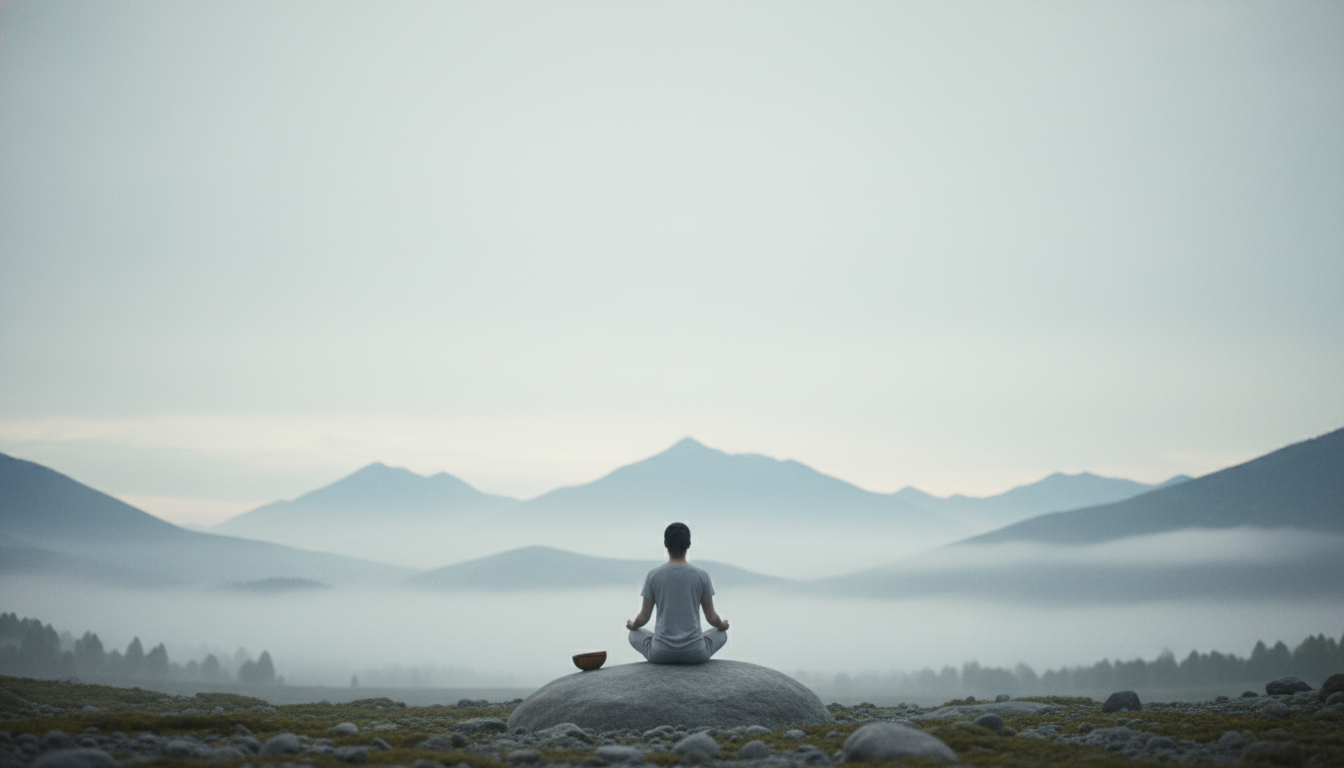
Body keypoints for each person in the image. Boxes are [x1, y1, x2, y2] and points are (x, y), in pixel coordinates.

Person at [626, 522, 729, 664]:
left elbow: (644, 617)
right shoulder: (702, 575)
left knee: (634, 634)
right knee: (721, 634)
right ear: (689, 544)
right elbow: (711, 617)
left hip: (660, 654)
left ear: (666, 544)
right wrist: (722, 625)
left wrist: (632, 625)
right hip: (695, 654)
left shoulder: (653, 575)